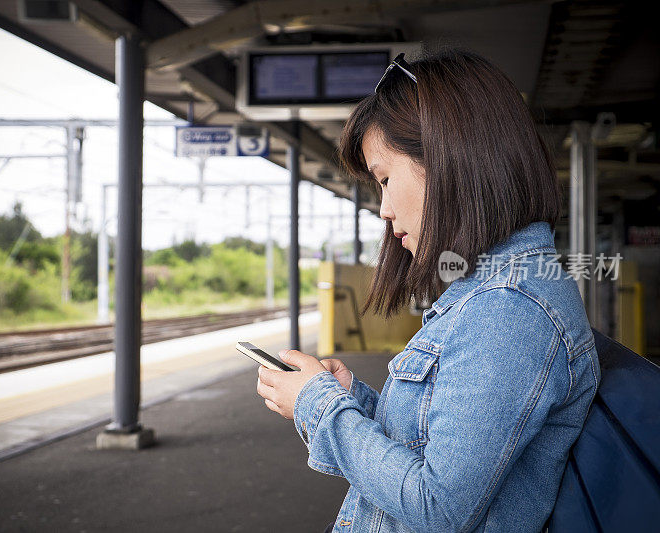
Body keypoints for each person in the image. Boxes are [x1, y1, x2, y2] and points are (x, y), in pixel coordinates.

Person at [255, 49, 600, 532]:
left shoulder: (508, 311)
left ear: (450, 159)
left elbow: (436, 506)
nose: (384, 210)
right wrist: (350, 398)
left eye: (386, 179)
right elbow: (436, 449)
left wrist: (320, 407)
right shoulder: (493, 294)